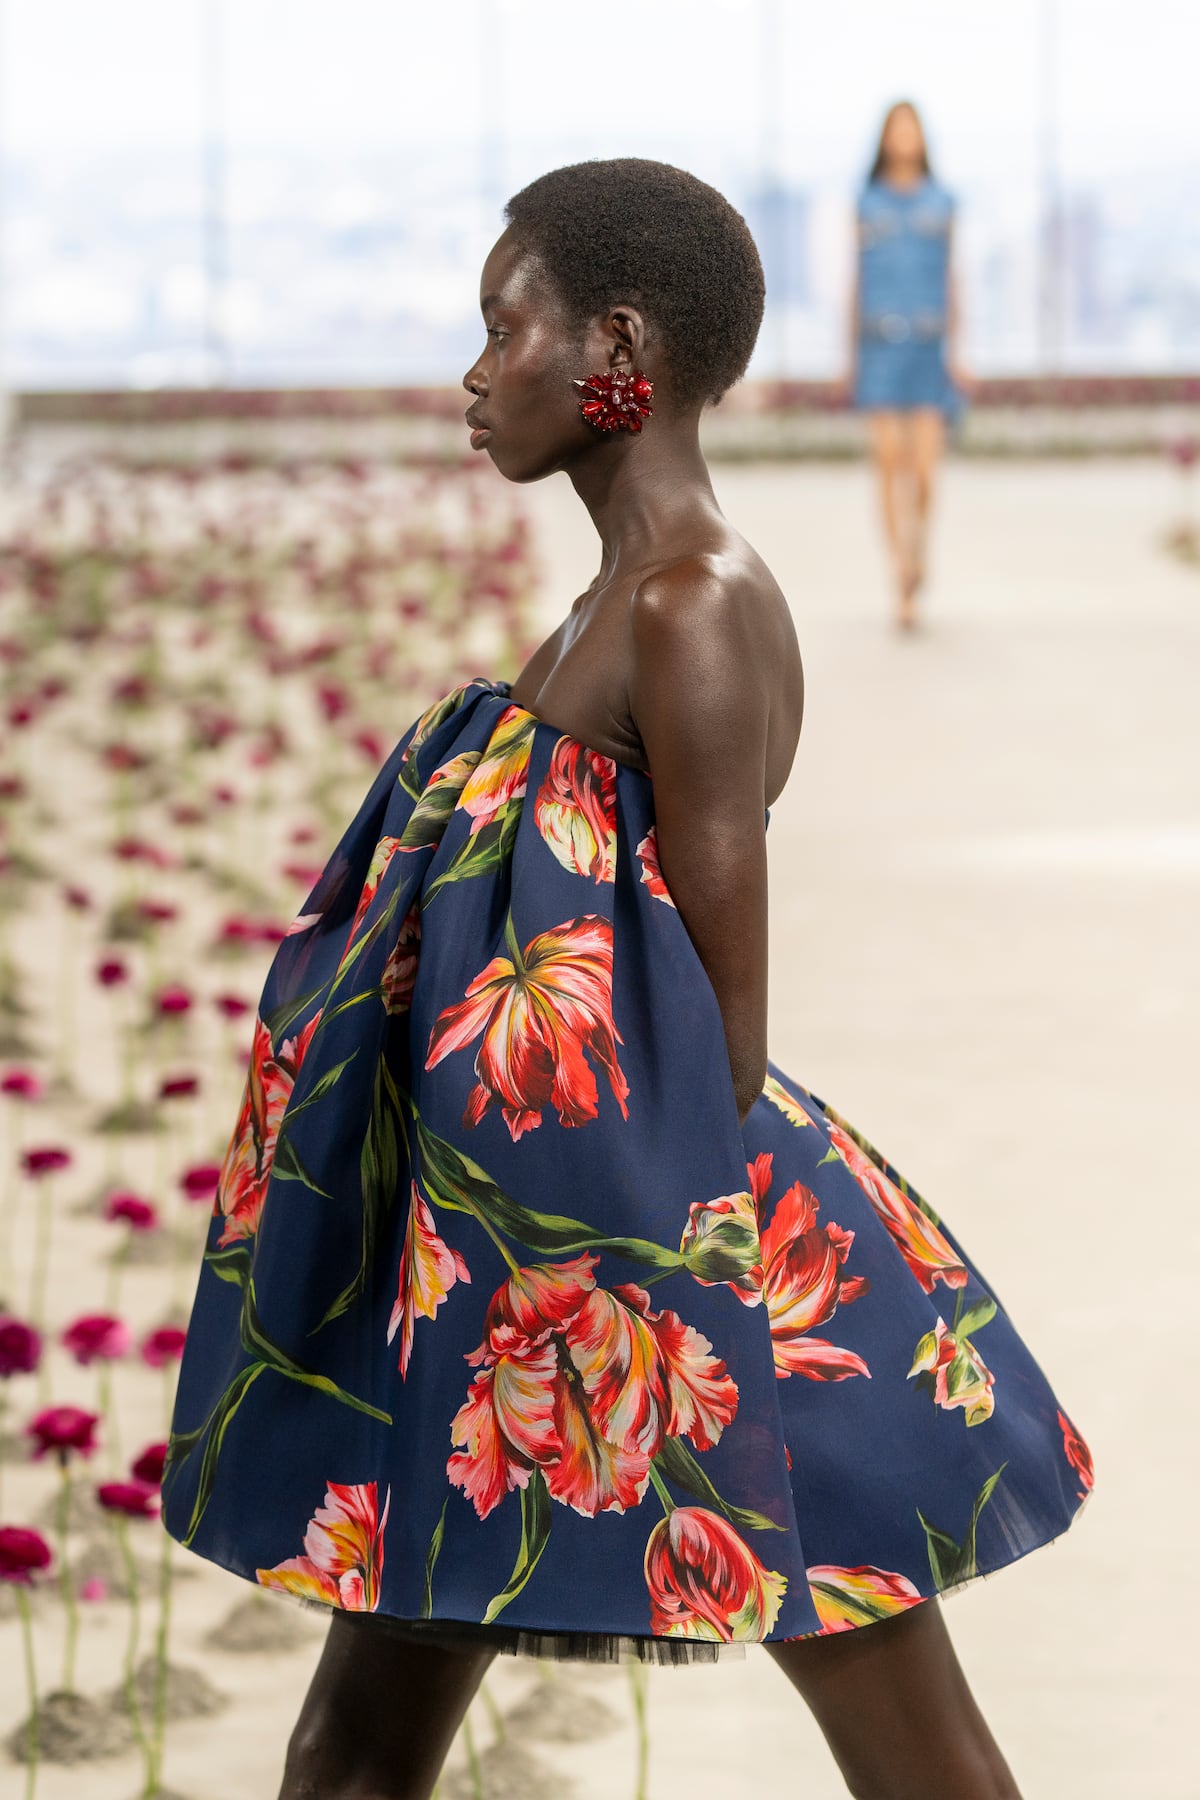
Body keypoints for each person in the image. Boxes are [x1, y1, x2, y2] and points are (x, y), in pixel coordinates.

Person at [162, 159, 1091, 1800]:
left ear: (616, 339)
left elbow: (719, 1028)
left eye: (501, 326)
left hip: (683, 1261)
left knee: (916, 1754)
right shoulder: (608, 601)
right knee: (354, 1746)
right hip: (517, 1249)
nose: (474, 373)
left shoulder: (692, 606)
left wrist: (615, 1315)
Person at [846, 101, 973, 630]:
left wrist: (959, 352)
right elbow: (854, 276)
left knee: (923, 469)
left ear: (922, 138)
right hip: (877, 344)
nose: (904, 137)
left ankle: (918, 549)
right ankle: (900, 577)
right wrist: (848, 352)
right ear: (885, 138)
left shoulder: (943, 202)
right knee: (887, 461)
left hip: (927, 346)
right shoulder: (866, 202)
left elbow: (952, 276)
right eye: (896, 128)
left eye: (911, 128)